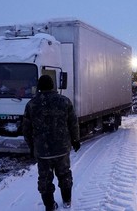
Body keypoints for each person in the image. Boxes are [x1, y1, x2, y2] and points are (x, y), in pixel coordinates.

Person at [22, 75, 80, 211]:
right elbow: (73, 123)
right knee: (64, 174)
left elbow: (26, 129)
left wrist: (31, 147)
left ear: (39, 87)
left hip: (42, 152)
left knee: (45, 180)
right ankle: (67, 200)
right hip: (62, 149)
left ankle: (49, 205)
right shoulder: (64, 101)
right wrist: (75, 140)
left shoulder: (31, 104)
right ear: (53, 86)